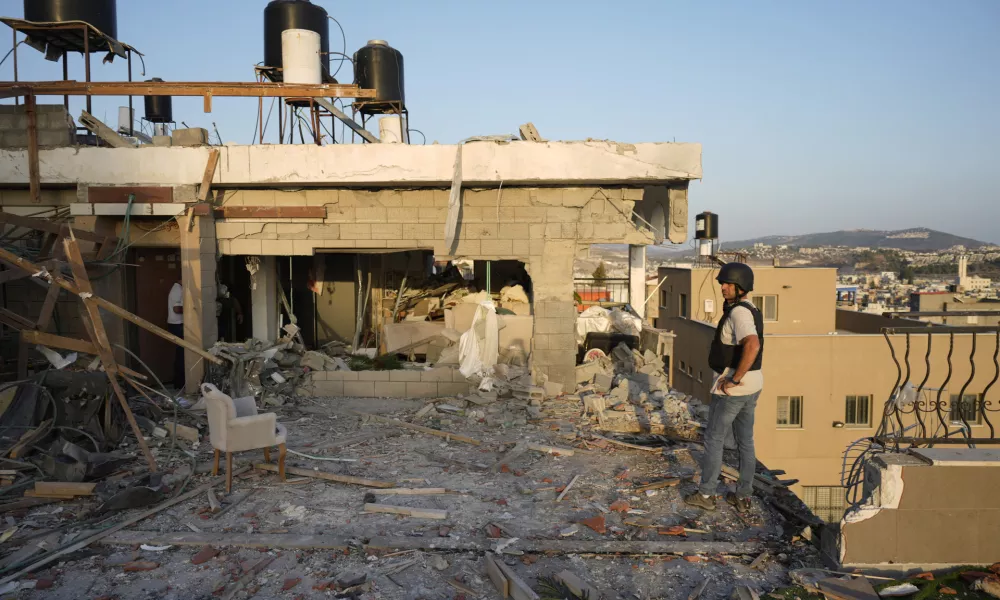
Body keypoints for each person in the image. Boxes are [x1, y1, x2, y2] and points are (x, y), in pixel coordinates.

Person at [685, 262, 763, 513]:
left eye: (729, 284)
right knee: (745, 442)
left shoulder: (739, 313)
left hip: (734, 390)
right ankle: (743, 496)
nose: (724, 287)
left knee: (714, 440)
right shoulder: (752, 309)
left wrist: (734, 379)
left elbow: (752, 345)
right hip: (753, 384)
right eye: (722, 283)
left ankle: (706, 495)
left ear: (741, 287)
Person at [167, 280, 184, 389]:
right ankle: (179, 383)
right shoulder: (177, 289)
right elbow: (176, 309)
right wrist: (190, 308)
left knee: (181, 354)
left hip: (178, 324)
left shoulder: (179, 288)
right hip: (177, 325)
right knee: (182, 355)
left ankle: (179, 383)